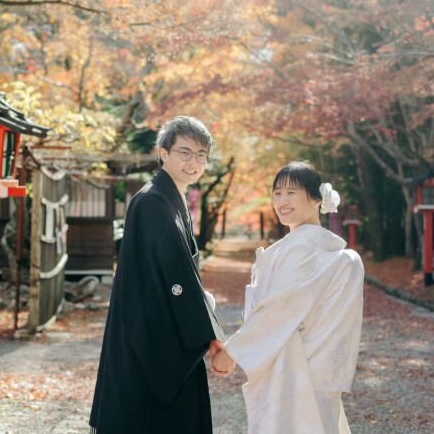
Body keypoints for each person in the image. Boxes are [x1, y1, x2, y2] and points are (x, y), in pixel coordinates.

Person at [89, 116, 225, 434]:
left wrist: (204, 312)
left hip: (159, 328)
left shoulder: (167, 198)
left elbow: (179, 275)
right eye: (184, 152)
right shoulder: (153, 202)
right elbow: (176, 277)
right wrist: (213, 336)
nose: (194, 162)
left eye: (201, 155)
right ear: (162, 152)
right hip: (150, 339)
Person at [211, 161, 364, 434]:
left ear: (317, 199)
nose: (282, 200)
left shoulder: (304, 248)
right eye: (277, 193)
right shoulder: (312, 244)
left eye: (292, 192)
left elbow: (277, 312)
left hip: (295, 368)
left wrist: (232, 352)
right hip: (310, 366)